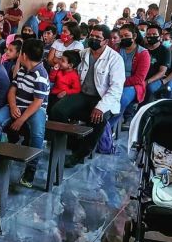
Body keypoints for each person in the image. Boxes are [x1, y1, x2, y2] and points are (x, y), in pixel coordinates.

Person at [50, 25, 125, 168]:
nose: (94, 39)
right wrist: (66, 90)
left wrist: (101, 107)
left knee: (98, 118)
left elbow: (116, 88)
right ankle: (73, 143)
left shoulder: (115, 59)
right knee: (57, 110)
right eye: (92, 36)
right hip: (82, 94)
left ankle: (80, 154)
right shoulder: (83, 53)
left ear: (106, 41)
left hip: (102, 97)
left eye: (98, 38)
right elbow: (71, 72)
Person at [0, 38, 49, 188]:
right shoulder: (23, 69)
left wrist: (21, 119)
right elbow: (12, 90)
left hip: (35, 110)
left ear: (24, 55)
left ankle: (31, 170)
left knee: (37, 133)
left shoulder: (40, 75)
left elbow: (37, 102)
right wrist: (13, 105)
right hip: (17, 105)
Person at [108, 24, 150, 128]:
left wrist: (118, 83)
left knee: (120, 100)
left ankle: (107, 127)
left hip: (132, 85)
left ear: (134, 36)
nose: (123, 39)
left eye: (126, 35)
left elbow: (139, 79)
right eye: (121, 36)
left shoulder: (143, 53)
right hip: (113, 81)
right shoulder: (116, 49)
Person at [144, 24, 171, 103]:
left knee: (150, 88)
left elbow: (162, 72)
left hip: (156, 79)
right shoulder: (142, 48)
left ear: (160, 36)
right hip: (142, 76)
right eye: (148, 34)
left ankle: (146, 109)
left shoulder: (165, 51)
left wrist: (147, 81)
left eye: (154, 34)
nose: (151, 36)